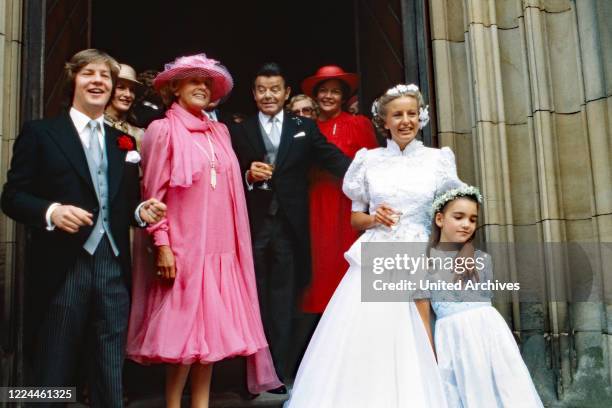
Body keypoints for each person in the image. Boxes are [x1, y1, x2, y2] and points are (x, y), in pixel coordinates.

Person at [0, 48, 166, 408]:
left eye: (105, 76)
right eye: (89, 73)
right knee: (53, 364)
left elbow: (120, 204)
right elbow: (12, 196)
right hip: (63, 264)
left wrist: (140, 211)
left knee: (109, 367)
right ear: (73, 79)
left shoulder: (120, 140)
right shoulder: (41, 133)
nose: (98, 81)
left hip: (112, 262)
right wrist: (52, 211)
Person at [125, 53, 281, 408]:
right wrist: (161, 244)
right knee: (182, 338)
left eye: (207, 82)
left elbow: (225, 187)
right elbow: (152, 194)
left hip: (220, 249)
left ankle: (201, 404)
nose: (201, 87)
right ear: (175, 88)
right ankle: (172, 404)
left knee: (208, 338)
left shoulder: (220, 130)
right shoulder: (161, 130)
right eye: (193, 80)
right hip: (183, 249)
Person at [285, 84, 455, 407]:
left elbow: (451, 214)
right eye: (397, 115)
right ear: (384, 122)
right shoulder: (369, 161)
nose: (405, 121)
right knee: (372, 336)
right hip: (378, 255)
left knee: (421, 328)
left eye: (411, 114)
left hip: (420, 250)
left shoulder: (439, 161)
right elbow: (355, 220)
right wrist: (375, 217)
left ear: (421, 118)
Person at [230, 62, 351, 392]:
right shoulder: (238, 130)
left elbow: (335, 160)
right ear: (253, 94)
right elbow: (227, 174)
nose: (268, 95)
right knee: (250, 300)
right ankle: (249, 375)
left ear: (285, 93)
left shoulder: (304, 128)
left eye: (274, 89)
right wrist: (247, 175)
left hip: (289, 227)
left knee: (283, 301)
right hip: (252, 227)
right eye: (261, 89)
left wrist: (377, 175)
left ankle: (277, 374)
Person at [426, 183, 544, 408]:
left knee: (507, 387)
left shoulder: (480, 259)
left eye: (472, 219)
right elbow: (424, 314)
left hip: (490, 333)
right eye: (459, 217)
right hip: (454, 339)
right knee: (469, 390)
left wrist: (467, 247)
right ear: (440, 219)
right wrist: (429, 353)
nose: (466, 224)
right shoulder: (425, 263)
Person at [300, 65, 379, 315]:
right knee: (316, 264)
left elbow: (372, 171)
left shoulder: (359, 124)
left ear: (343, 97)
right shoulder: (306, 128)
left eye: (334, 91)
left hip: (347, 206)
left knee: (343, 261)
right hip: (314, 202)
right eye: (323, 91)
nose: (328, 96)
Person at [104, 63, 145, 148]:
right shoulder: (94, 125)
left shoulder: (139, 134)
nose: (128, 94)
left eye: (132, 90)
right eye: (121, 87)